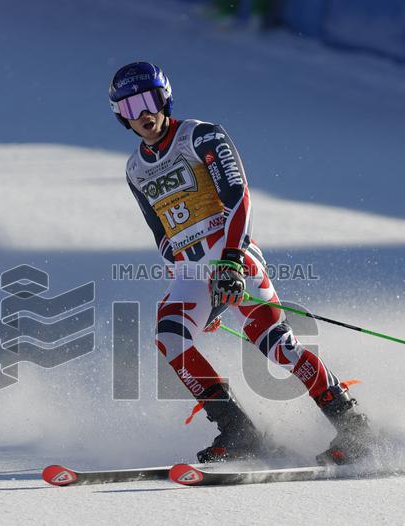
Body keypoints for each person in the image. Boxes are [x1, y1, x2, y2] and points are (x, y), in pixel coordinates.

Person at [110, 61, 373, 465]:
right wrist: (198, 293)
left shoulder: (199, 135)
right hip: (193, 273)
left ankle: (351, 422)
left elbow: (238, 197)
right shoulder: (134, 169)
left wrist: (230, 263)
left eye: (149, 100)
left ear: (165, 98)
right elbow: (162, 235)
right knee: (170, 335)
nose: (143, 113)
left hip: (232, 256)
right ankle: (238, 432)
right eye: (130, 107)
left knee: (275, 344)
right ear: (121, 116)